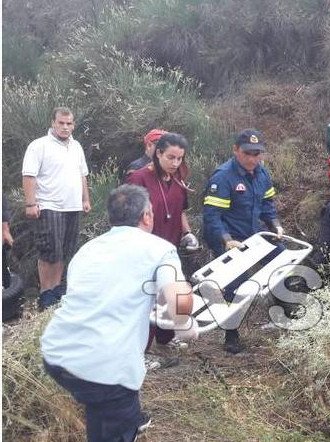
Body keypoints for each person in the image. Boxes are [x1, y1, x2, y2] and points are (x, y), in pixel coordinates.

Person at [40, 184, 195, 442]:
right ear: (146, 215)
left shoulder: (88, 250)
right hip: (108, 367)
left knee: (100, 407)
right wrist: (184, 323)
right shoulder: (159, 249)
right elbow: (177, 293)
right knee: (118, 422)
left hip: (58, 354)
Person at [202, 128, 283, 354]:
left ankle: (284, 309)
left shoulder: (262, 174)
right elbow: (212, 217)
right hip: (226, 236)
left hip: (253, 233)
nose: (252, 158)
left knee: (282, 258)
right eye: (248, 153)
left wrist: (275, 226)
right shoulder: (223, 177)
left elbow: (268, 206)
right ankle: (231, 334)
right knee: (235, 282)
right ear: (236, 150)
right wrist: (227, 240)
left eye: (257, 154)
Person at [127, 132, 199, 361]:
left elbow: (180, 211)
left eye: (179, 158)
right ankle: (141, 350)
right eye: (170, 157)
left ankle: (164, 341)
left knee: (168, 292)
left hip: (170, 246)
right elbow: (128, 219)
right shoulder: (138, 179)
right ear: (157, 153)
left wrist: (187, 233)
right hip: (144, 250)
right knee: (146, 297)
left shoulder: (178, 178)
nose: (175, 163)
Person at [22, 107, 91, 310]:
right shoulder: (39, 146)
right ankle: (45, 293)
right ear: (53, 122)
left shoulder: (76, 146)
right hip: (49, 205)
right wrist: (30, 203)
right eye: (61, 123)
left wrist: (85, 199)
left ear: (73, 125)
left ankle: (56, 290)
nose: (65, 127)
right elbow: (28, 176)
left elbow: (82, 175)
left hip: (72, 206)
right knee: (48, 250)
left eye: (69, 123)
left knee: (63, 250)